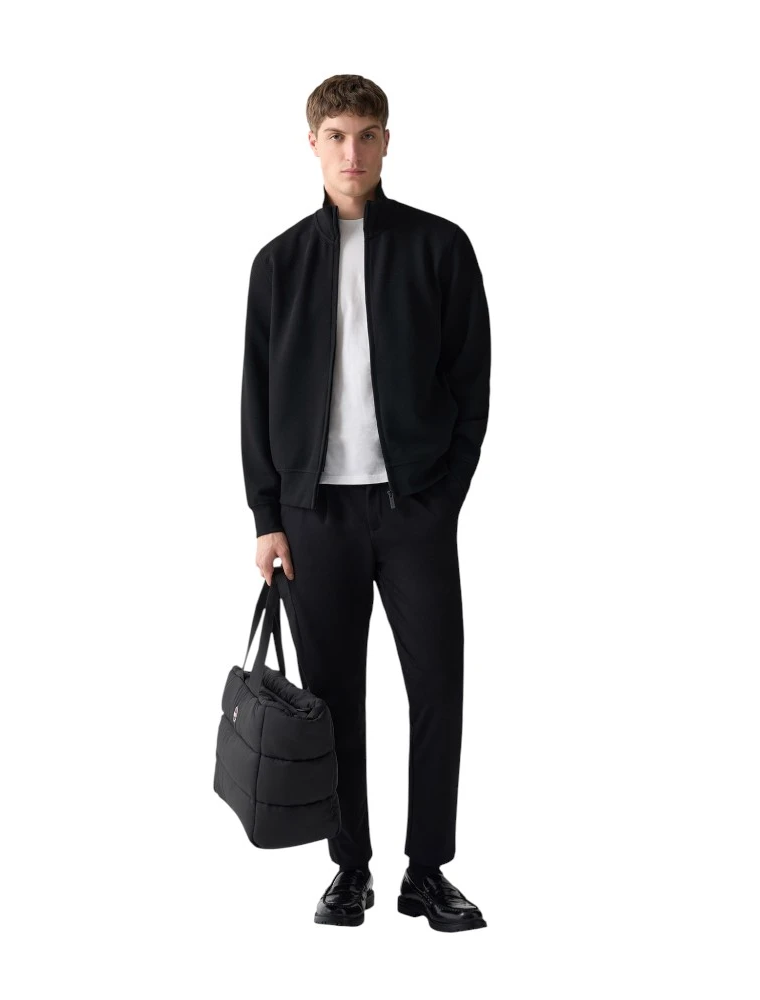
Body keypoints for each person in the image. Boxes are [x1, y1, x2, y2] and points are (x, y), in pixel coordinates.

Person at [240, 74, 491, 932]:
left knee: (438, 689)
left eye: (368, 135)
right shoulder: (278, 265)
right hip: (316, 517)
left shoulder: (439, 247)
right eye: (337, 135)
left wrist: (444, 495)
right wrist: (267, 516)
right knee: (332, 696)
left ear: (387, 142)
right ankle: (350, 870)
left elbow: (471, 380)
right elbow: (256, 398)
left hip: (413, 509)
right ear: (312, 144)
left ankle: (428, 869)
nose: (353, 152)